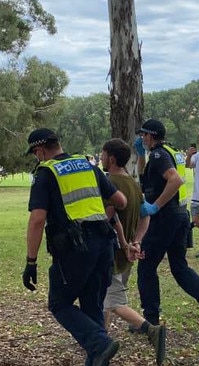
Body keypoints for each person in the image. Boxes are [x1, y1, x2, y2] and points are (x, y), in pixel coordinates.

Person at [22, 128, 127, 366]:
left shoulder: (45, 173)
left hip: (75, 248)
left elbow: (37, 219)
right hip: (104, 244)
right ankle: (99, 351)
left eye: (35, 153)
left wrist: (31, 262)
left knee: (59, 303)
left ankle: (100, 344)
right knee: (92, 308)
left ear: (39, 150)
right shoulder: (87, 165)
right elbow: (121, 201)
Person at [135, 119, 199, 335]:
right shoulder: (170, 152)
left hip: (165, 218)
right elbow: (145, 179)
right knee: (179, 267)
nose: (141, 139)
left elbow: (175, 180)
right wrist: (141, 156)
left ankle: (150, 320)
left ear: (151, 136)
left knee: (146, 266)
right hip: (179, 216)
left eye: (144, 136)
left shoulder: (159, 155)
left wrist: (155, 207)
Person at [100, 138, 166, 366]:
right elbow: (145, 215)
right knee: (105, 299)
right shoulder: (132, 183)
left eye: (102, 154)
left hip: (112, 253)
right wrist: (136, 241)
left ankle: (151, 330)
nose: (100, 158)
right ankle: (101, 340)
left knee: (114, 301)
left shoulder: (111, 183)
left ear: (111, 158)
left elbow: (107, 219)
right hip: (127, 252)